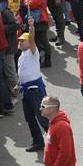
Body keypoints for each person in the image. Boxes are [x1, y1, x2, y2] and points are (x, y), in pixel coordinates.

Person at [17, 18, 49, 152]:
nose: (19, 42)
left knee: (42, 116)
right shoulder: (21, 56)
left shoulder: (32, 53)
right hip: (26, 91)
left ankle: (56, 140)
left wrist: (31, 27)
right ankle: (38, 142)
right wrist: (17, 84)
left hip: (35, 90)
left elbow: (32, 40)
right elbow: (23, 73)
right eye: (19, 40)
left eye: (22, 40)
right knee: (29, 117)